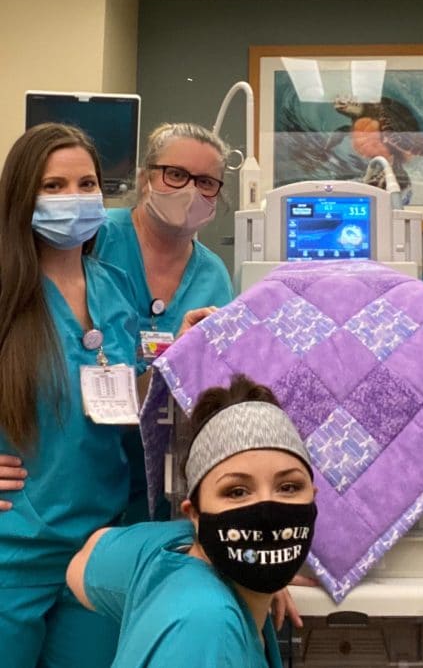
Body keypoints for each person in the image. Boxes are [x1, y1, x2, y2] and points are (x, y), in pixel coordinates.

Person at [0, 123, 140, 668]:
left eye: (86, 184)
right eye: (53, 186)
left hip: (98, 552)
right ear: (21, 198)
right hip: (14, 550)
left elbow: (127, 400)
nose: (73, 199)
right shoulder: (9, 296)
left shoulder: (115, 287)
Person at [66, 374, 317, 668]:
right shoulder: (209, 627)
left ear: (313, 495)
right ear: (194, 513)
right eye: (236, 492)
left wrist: (258, 572)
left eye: (288, 487)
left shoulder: (167, 550)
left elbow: (82, 562)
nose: (267, 512)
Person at [96, 122, 235, 522]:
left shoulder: (213, 277)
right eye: (175, 175)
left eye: (206, 182)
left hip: (161, 487)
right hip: (79, 471)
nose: (190, 190)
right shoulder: (93, 242)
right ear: (144, 179)